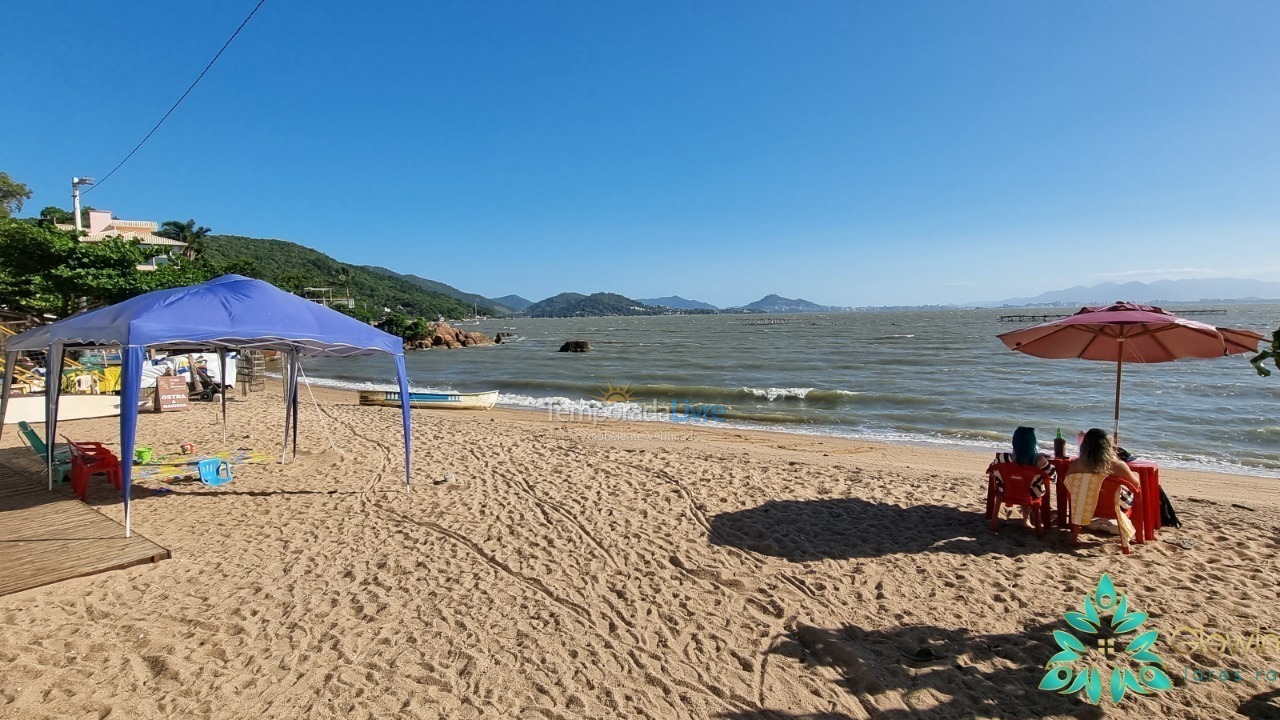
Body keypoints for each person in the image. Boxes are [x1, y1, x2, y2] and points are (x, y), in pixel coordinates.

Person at [1064, 428, 1139, 553]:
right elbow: (1136, 485)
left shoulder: (1078, 464)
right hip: (1113, 506)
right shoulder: (1118, 466)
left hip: (1085, 504)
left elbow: (1067, 480)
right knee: (1129, 494)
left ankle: (1074, 537)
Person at [990, 426, 1054, 524]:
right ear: (1033, 443)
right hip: (1031, 494)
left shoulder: (1003, 458)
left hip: (1006, 492)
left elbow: (992, 470)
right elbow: (1053, 477)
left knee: (1020, 483)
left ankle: (1026, 517)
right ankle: (1028, 518)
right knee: (1031, 486)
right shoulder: (1039, 460)